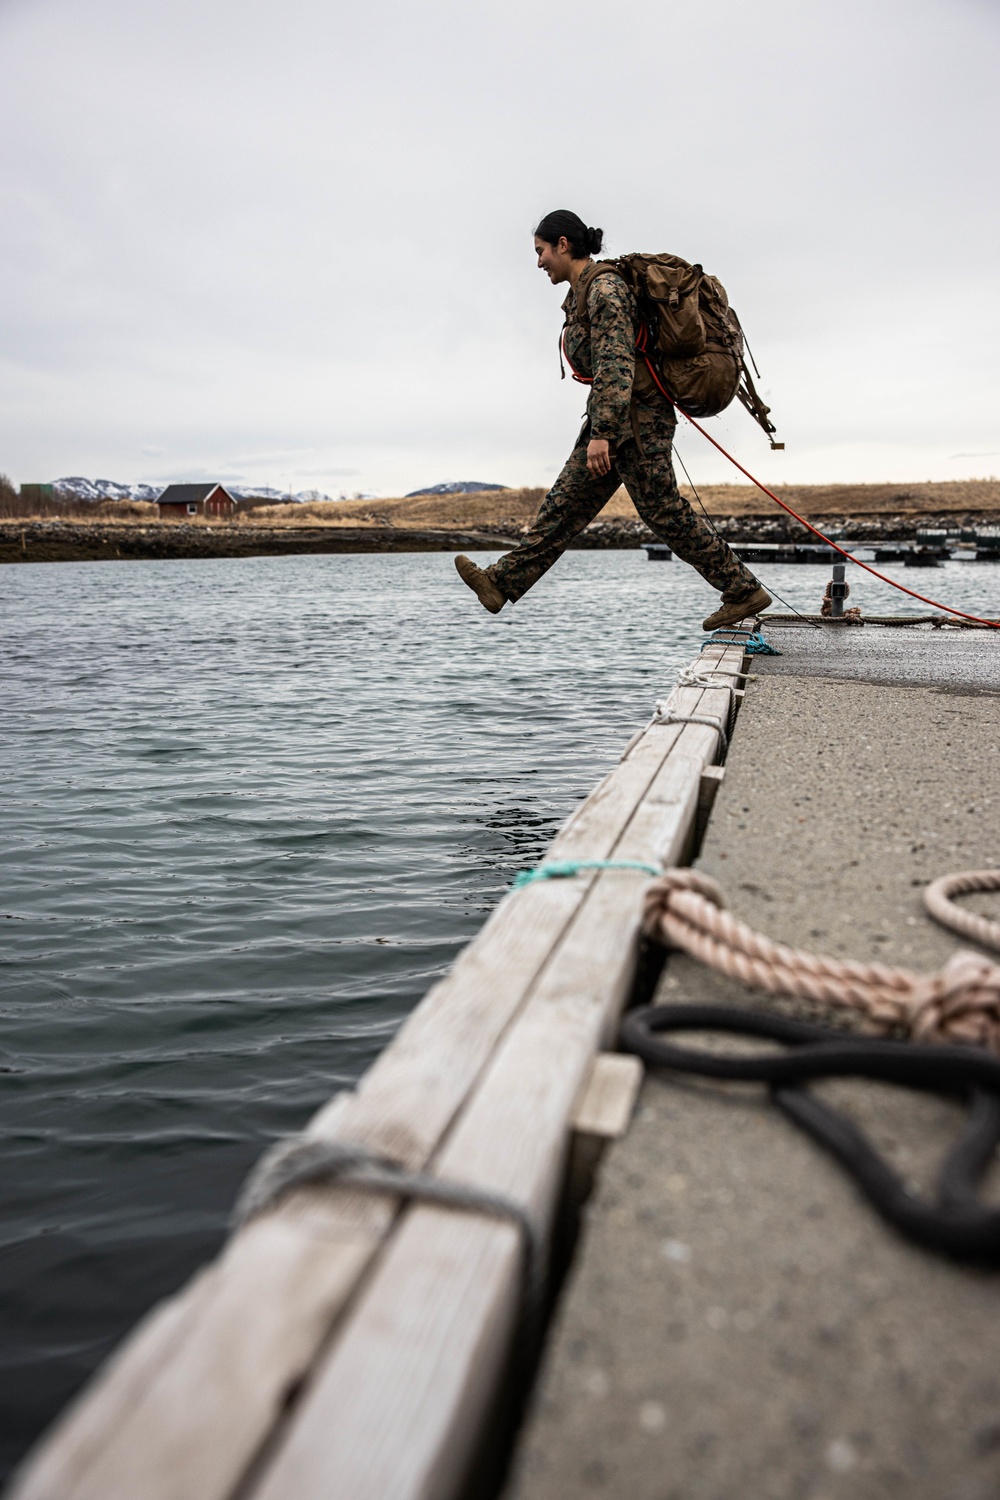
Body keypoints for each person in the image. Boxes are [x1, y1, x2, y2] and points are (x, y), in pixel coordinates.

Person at [455, 209, 771, 631]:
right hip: (617, 417)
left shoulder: (604, 289)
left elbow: (616, 363)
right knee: (565, 505)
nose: (539, 262)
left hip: (633, 420)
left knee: (663, 511)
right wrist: (601, 428)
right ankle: (500, 583)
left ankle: (742, 589)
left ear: (563, 245)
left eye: (541, 251)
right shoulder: (586, 290)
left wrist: (603, 433)